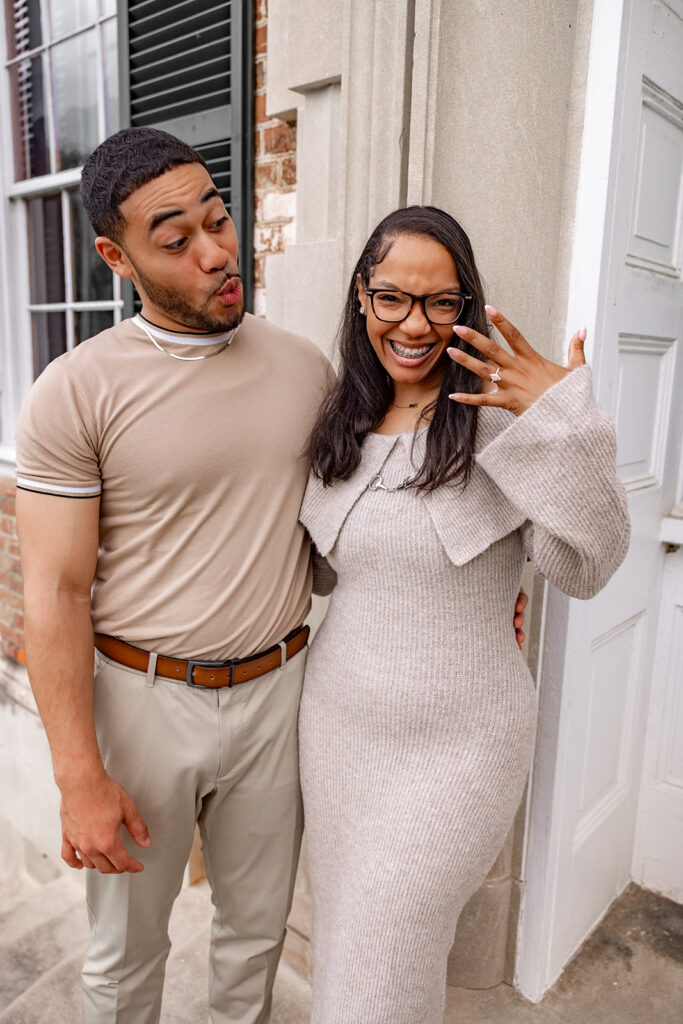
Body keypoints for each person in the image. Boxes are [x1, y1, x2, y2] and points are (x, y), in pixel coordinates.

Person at [15, 127, 332, 1024]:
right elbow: (55, 592)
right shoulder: (75, 392)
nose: (217, 253)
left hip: (279, 691)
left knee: (256, 932)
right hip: (141, 701)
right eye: (177, 239)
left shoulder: (304, 367)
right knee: (126, 954)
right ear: (119, 257)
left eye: (219, 219)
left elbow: (355, 517)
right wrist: (79, 775)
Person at [299, 205, 630, 1023]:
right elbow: (317, 569)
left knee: (383, 955)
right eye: (392, 298)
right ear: (360, 298)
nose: (414, 324)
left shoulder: (496, 422)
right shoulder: (336, 421)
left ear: (466, 306)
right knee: (349, 940)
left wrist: (564, 422)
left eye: (441, 303)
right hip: (338, 732)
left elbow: (587, 564)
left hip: (461, 748)